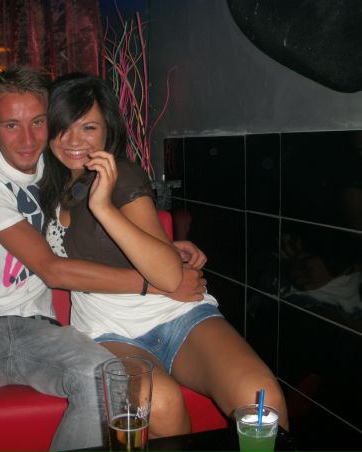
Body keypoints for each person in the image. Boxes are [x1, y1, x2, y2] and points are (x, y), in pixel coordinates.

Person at [0, 65, 206, 452]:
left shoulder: (57, 169)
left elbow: (95, 228)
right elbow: (52, 269)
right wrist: (156, 285)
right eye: (11, 125)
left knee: (101, 379)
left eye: (37, 122)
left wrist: (166, 249)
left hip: (42, 331)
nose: (28, 139)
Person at [38, 72, 289, 437]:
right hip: (107, 330)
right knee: (160, 404)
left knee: (262, 401)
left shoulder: (122, 177)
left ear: (108, 130)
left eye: (88, 127)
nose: (74, 141)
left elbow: (170, 277)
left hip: (179, 315)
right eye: (63, 127)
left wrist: (103, 207)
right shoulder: (42, 186)